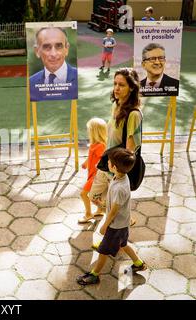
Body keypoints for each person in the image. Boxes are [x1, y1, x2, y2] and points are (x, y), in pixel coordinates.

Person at [76, 148, 147, 285]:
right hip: (122, 223)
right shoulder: (121, 176)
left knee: (103, 251)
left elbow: (114, 210)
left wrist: (104, 226)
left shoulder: (119, 187)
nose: (107, 162)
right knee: (124, 244)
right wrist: (101, 204)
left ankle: (94, 274)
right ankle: (138, 263)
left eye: (109, 161)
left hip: (115, 225)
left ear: (113, 167)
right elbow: (115, 204)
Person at [89, 68, 143, 226]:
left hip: (116, 169)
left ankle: (119, 220)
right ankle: (123, 214)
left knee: (105, 201)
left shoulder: (133, 114)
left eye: (122, 85)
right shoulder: (116, 104)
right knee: (94, 196)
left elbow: (130, 151)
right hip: (107, 162)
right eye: (115, 84)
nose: (117, 88)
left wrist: (117, 173)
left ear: (132, 88)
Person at [29, 27, 78, 101]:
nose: (53, 54)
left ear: (67, 49)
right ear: (37, 51)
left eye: (58, 46)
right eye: (47, 47)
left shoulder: (78, 78)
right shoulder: (31, 82)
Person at [78, 118, 107, 224]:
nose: (88, 132)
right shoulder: (95, 144)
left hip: (96, 176)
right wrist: (86, 162)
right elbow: (91, 156)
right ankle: (99, 211)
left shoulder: (100, 146)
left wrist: (97, 165)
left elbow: (103, 160)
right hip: (91, 174)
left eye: (89, 130)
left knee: (83, 194)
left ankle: (88, 214)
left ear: (95, 132)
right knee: (97, 194)